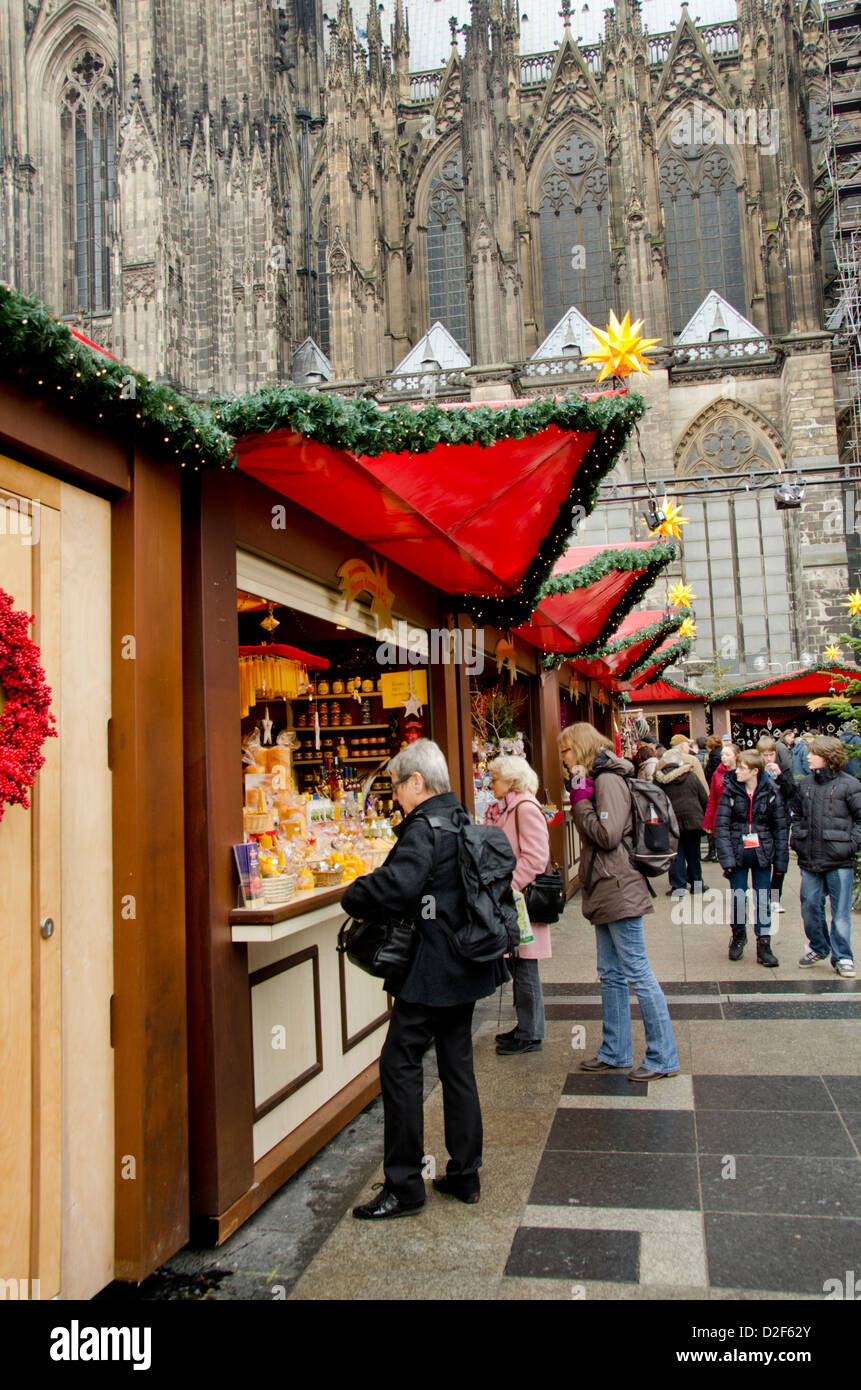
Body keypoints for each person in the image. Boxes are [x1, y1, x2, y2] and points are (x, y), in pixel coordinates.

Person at [344, 739, 509, 1218]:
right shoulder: (459, 817)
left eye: (397, 786)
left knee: (399, 1064)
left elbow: (397, 886)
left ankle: (404, 1185)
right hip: (466, 965)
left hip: (432, 971)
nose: (395, 795)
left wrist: (354, 894)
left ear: (416, 781)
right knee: (457, 1065)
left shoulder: (423, 828)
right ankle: (464, 1174)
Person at [560, 722, 679, 1081]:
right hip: (606, 885)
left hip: (617, 883)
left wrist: (580, 800)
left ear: (579, 749)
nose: (563, 759)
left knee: (637, 972)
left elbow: (608, 835)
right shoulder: (600, 777)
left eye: (565, 751)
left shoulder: (606, 780)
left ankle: (662, 1057)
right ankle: (616, 1050)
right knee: (611, 974)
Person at [484, 754, 552, 1056]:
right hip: (514, 901)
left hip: (521, 901)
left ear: (510, 780)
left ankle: (531, 1032)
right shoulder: (510, 808)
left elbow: (536, 858)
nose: (490, 782)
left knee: (525, 965)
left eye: (495, 777)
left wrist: (508, 887)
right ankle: (525, 1025)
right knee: (519, 962)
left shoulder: (524, 808)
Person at [792, 735, 861, 978]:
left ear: (827, 757)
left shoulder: (850, 785)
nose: (807, 756)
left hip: (840, 858)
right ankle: (819, 947)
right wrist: (798, 837)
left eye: (813, 753)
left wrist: (851, 844)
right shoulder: (806, 784)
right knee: (810, 906)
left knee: (840, 913)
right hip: (811, 857)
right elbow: (797, 815)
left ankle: (843, 956)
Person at [714, 749, 788, 966]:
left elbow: (780, 828)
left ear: (755, 771)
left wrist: (780, 864)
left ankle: (764, 943)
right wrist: (726, 860)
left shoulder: (771, 792)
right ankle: (738, 935)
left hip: (762, 853)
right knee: (738, 898)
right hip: (738, 853)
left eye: (742, 768)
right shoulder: (729, 792)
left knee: (763, 899)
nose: (737, 771)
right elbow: (722, 827)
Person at [655, 743, 709, 896]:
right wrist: (706, 817)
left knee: (676, 855)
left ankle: (678, 887)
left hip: (672, 822)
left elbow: (656, 801)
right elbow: (703, 797)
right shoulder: (691, 776)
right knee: (694, 854)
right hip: (693, 820)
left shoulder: (659, 779)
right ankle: (697, 884)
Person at [756, 736, 797, 914]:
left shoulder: (783, 768)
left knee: (780, 860)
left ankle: (775, 897)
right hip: (761, 821)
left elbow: (791, 792)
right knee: (762, 858)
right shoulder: (754, 770)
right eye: (764, 755)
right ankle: (763, 895)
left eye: (771, 754)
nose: (768, 759)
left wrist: (780, 776)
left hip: (781, 820)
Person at [702, 741, 740, 858]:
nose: (723, 757)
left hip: (739, 817)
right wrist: (708, 822)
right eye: (723, 755)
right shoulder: (717, 774)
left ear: (736, 756)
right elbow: (712, 799)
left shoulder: (742, 772)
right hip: (721, 816)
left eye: (727, 755)